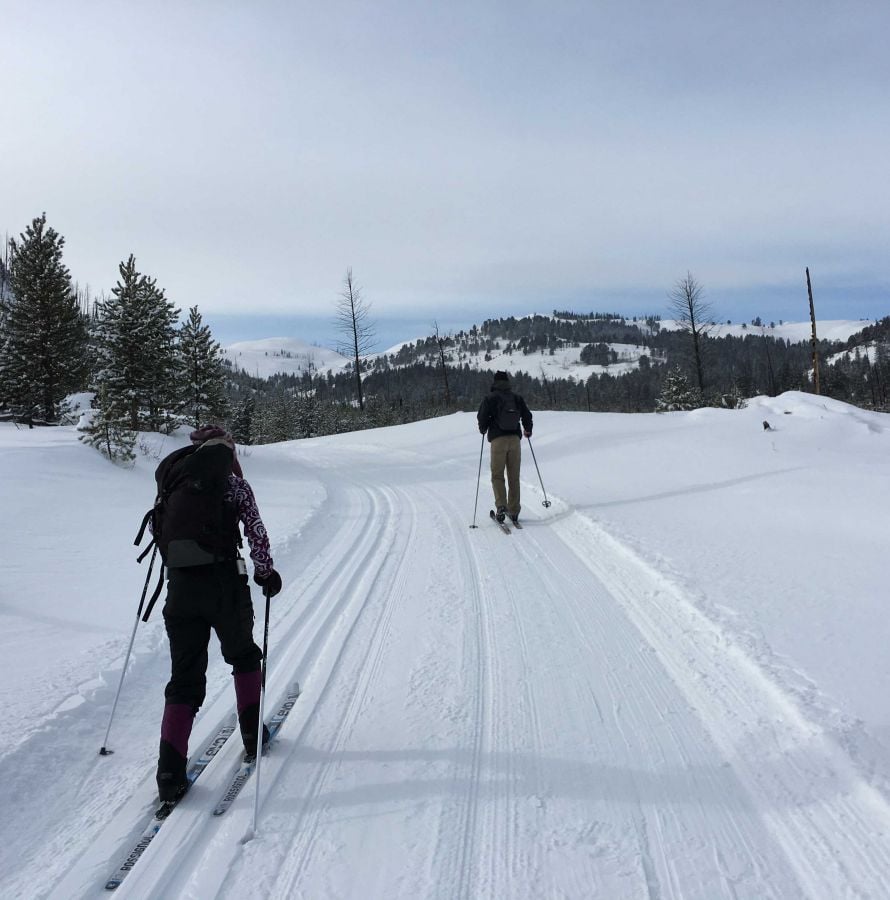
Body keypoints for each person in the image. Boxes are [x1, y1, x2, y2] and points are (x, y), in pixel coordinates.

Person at [154, 425, 282, 802]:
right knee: (243, 655)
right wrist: (265, 573)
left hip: (180, 587)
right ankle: (252, 737)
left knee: (184, 677)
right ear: (228, 451)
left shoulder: (174, 481)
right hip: (224, 581)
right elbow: (256, 532)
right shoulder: (234, 485)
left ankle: (169, 774)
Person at [477, 371, 533, 524]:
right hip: (514, 440)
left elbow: (482, 416)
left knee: (497, 475)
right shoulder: (516, 398)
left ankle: (501, 506)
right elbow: (527, 415)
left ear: (495, 382)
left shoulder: (490, 398)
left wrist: (483, 428)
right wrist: (527, 429)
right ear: (507, 382)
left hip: (498, 440)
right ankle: (514, 511)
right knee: (514, 476)